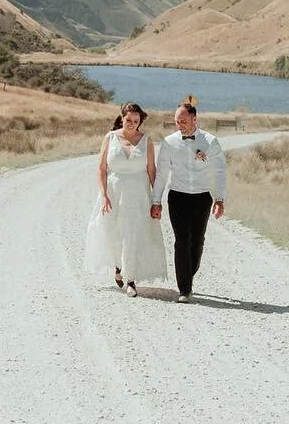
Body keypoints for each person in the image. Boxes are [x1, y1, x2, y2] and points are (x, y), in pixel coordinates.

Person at [83, 102, 168, 296]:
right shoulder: (110, 137)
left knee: (133, 234)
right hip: (114, 192)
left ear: (140, 122)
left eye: (136, 121)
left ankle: (131, 280)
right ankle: (118, 267)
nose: (132, 124)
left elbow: (152, 171)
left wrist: (156, 200)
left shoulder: (146, 141)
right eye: (128, 120)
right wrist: (104, 195)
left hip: (138, 195)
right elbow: (102, 169)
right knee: (114, 232)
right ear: (122, 118)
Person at [150, 99, 226, 302]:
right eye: (177, 121)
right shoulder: (169, 143)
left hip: (202, 198)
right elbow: (162, 174)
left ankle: (187, 275)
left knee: (197, 242)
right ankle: (184, 289)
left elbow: (219, 171)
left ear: (194, 119)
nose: (179, 125)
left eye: (183, 121)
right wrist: (156, 201)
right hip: (178, 197)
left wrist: (219, 199)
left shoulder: (210, 142)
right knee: (182, 241)